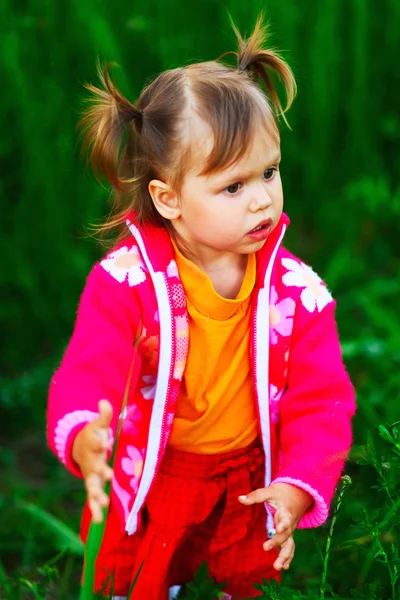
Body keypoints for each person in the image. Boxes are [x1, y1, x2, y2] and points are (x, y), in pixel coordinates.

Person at [47, 15, 356, 600]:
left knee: (250, 580)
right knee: (137, 578)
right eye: (232, 187)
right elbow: (95, 364)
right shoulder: (127, 283)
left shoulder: (298, 293)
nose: (262, 198)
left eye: (269, 171)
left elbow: (321, 399)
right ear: (169, 199)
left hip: (248, 475)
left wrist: (295, 486)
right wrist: (88, 428)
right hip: (156, 471)